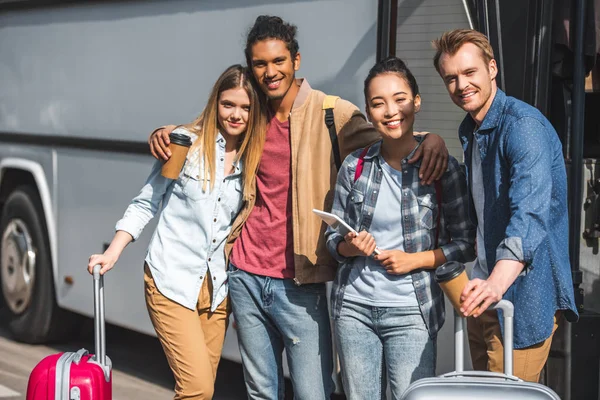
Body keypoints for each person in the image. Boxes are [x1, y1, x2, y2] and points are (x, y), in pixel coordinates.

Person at [149, 16, 449, 399]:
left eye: (278, 61)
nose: (270, 72)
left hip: (299, 282)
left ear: (296, 61)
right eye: (260, 64)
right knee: (261, 392)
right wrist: (163, 132)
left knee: (314, 393)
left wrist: (430, 136)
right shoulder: (250, 111)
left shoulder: (330, 113)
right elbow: (204, 130)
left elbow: (390, 134)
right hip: (244, 275)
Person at [87, 64, 266, 400]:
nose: (236, 114)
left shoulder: (252, 157)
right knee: (197, 389)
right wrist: (113, 251)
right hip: (170, 279)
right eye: (229, 104)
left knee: (200, 390)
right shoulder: (187, 144)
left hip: (217, 292)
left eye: (245, 107)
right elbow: (147, 203)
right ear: (216, 103)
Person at [432, 29, 579, 382]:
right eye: (451, 78)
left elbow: (528, 214)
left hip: (522, 296)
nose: (461, 85)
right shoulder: (471, 129)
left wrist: (495, 284)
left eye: (470, 73)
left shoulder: (522, 127)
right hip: (483, 290)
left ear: (492, 69)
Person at [325, 56, 475, 399]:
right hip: (354, 309)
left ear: (417, 102)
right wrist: (350, 246)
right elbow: (332, 238)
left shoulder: (443, 168)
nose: (390, 111)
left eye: (400, 99)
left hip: (413, 311)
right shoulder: (355, 165)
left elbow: (466, 243)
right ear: (368, 110)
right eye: (378, 103)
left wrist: (414, 260)